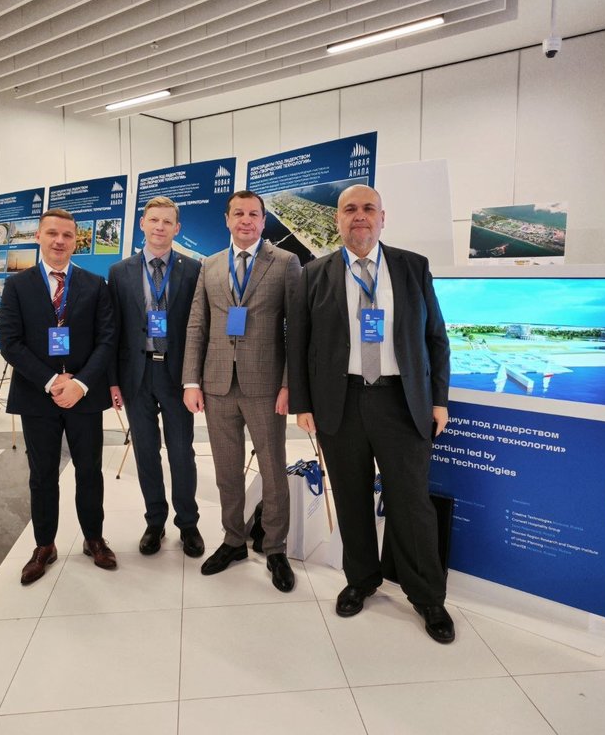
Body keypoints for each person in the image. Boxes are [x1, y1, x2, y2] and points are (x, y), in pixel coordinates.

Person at [287, 184, 454, 643]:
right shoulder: (313, 273)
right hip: (340, 402)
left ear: (383, 217)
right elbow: (298, 343)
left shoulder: (412, 266)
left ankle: (427, 596)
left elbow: (436, 338)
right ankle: (361, 579)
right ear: (338, 219)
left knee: (411, 502)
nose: (359, 216)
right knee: (351, 497)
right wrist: (302, 404)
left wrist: (439, 399)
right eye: (349, 209)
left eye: (367, 209)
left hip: (403, 401)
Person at [182, 190, 301, 592]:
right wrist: (191, 381)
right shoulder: (210, 265)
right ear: (227, 219)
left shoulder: (285, 262)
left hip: (265, 386)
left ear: (263, 221)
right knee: (226, 470)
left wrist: (288, 384)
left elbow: (296, 330)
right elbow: (197, 325)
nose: (246, 220)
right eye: (239, 213)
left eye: (253, 214)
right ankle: (233, 540)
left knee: (273, 470)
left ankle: (276, 547)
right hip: (217, 384)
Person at [0, 208, 117, 584]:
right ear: (38, 237)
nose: (59, 241)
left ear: (75, 241)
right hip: (37, 396)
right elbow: (10, 343)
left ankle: (94, 539)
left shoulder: (95, 284)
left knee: (90, 472)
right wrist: (52, 381)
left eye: (67, 235)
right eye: (52, 233)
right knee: (42, 475)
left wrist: (79, 384)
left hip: (84, 396)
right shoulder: (17, 286)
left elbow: (107, 340)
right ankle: (44, 545)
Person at [108, 197, 204, 558]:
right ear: (143, 224)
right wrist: (113, 381)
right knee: (146, 451)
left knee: (181, 451)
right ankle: (155, 521)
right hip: (136, 373)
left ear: (177, 228)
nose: (160, 227)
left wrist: (196, 379)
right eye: (154, 220)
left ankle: (188, 523)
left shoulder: (193, 269)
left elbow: (200, 327)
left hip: (177, 374)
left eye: (167, 221)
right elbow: (113, 330)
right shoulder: (121, 271)